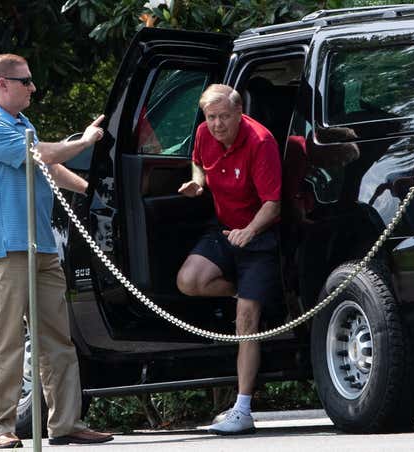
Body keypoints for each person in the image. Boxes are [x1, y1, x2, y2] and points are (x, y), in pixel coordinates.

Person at [0, 53, 113, 449]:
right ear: (2, 85)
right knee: (6, 339)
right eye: (25, 81)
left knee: (57, 338)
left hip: (41, 245)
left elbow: (46, 166)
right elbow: (42, 154)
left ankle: (66, 424)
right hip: (7, 247)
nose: (33, 87)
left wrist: (88, 190)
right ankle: (0, 429)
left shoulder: (22, 124)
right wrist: (82, 142)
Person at [176, 84, 282, 435]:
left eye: (224, 117)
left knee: (246, 321)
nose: (217, 124)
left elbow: (273, 203)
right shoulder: (205, 133)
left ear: (239, 113)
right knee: (188, 281)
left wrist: (250, 231)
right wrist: (198, 183)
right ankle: (244, 293)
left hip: (259, 231)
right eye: (211, 117)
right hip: (223, 229)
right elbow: (197, 162)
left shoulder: (260, 141)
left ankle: (243, 409)